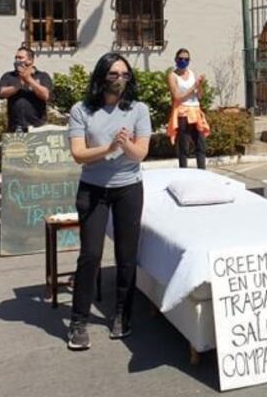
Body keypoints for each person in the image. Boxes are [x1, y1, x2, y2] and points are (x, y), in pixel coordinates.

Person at [67, 53, 151, 350]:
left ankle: (121, 314)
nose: (120, 80)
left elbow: (140, 153)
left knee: (127, 255)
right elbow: (78, 154)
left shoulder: (138, 109)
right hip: (93, 188)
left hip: (129, 188)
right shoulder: (82, 110)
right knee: (90, 255)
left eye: (125, 75)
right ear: (102, 76)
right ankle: (78, 321)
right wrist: (110, 146)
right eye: (114, 74)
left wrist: (125, 144)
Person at [167, 48, 210, 169]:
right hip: (183, 112)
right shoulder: (173, 76)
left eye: (186, 59)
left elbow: (200, 95)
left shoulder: (191, 74)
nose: (183, 61)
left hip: (195, 112)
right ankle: (183, 171)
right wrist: (192, 88)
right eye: (181, 59)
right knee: (183, 147)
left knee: (201, 145)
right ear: (176, 59)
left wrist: (200, 85)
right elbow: (177, 97)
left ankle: (202, 171)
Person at [0, 46, 53, 132]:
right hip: (15, 127)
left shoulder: (42, 76)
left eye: (20, 58)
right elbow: (0, 93)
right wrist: (18, 85)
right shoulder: (8, 76)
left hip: (38, 126)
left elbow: (45, 95)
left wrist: (29, 80)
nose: (17, 60)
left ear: (30, 60)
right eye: (16, 58)